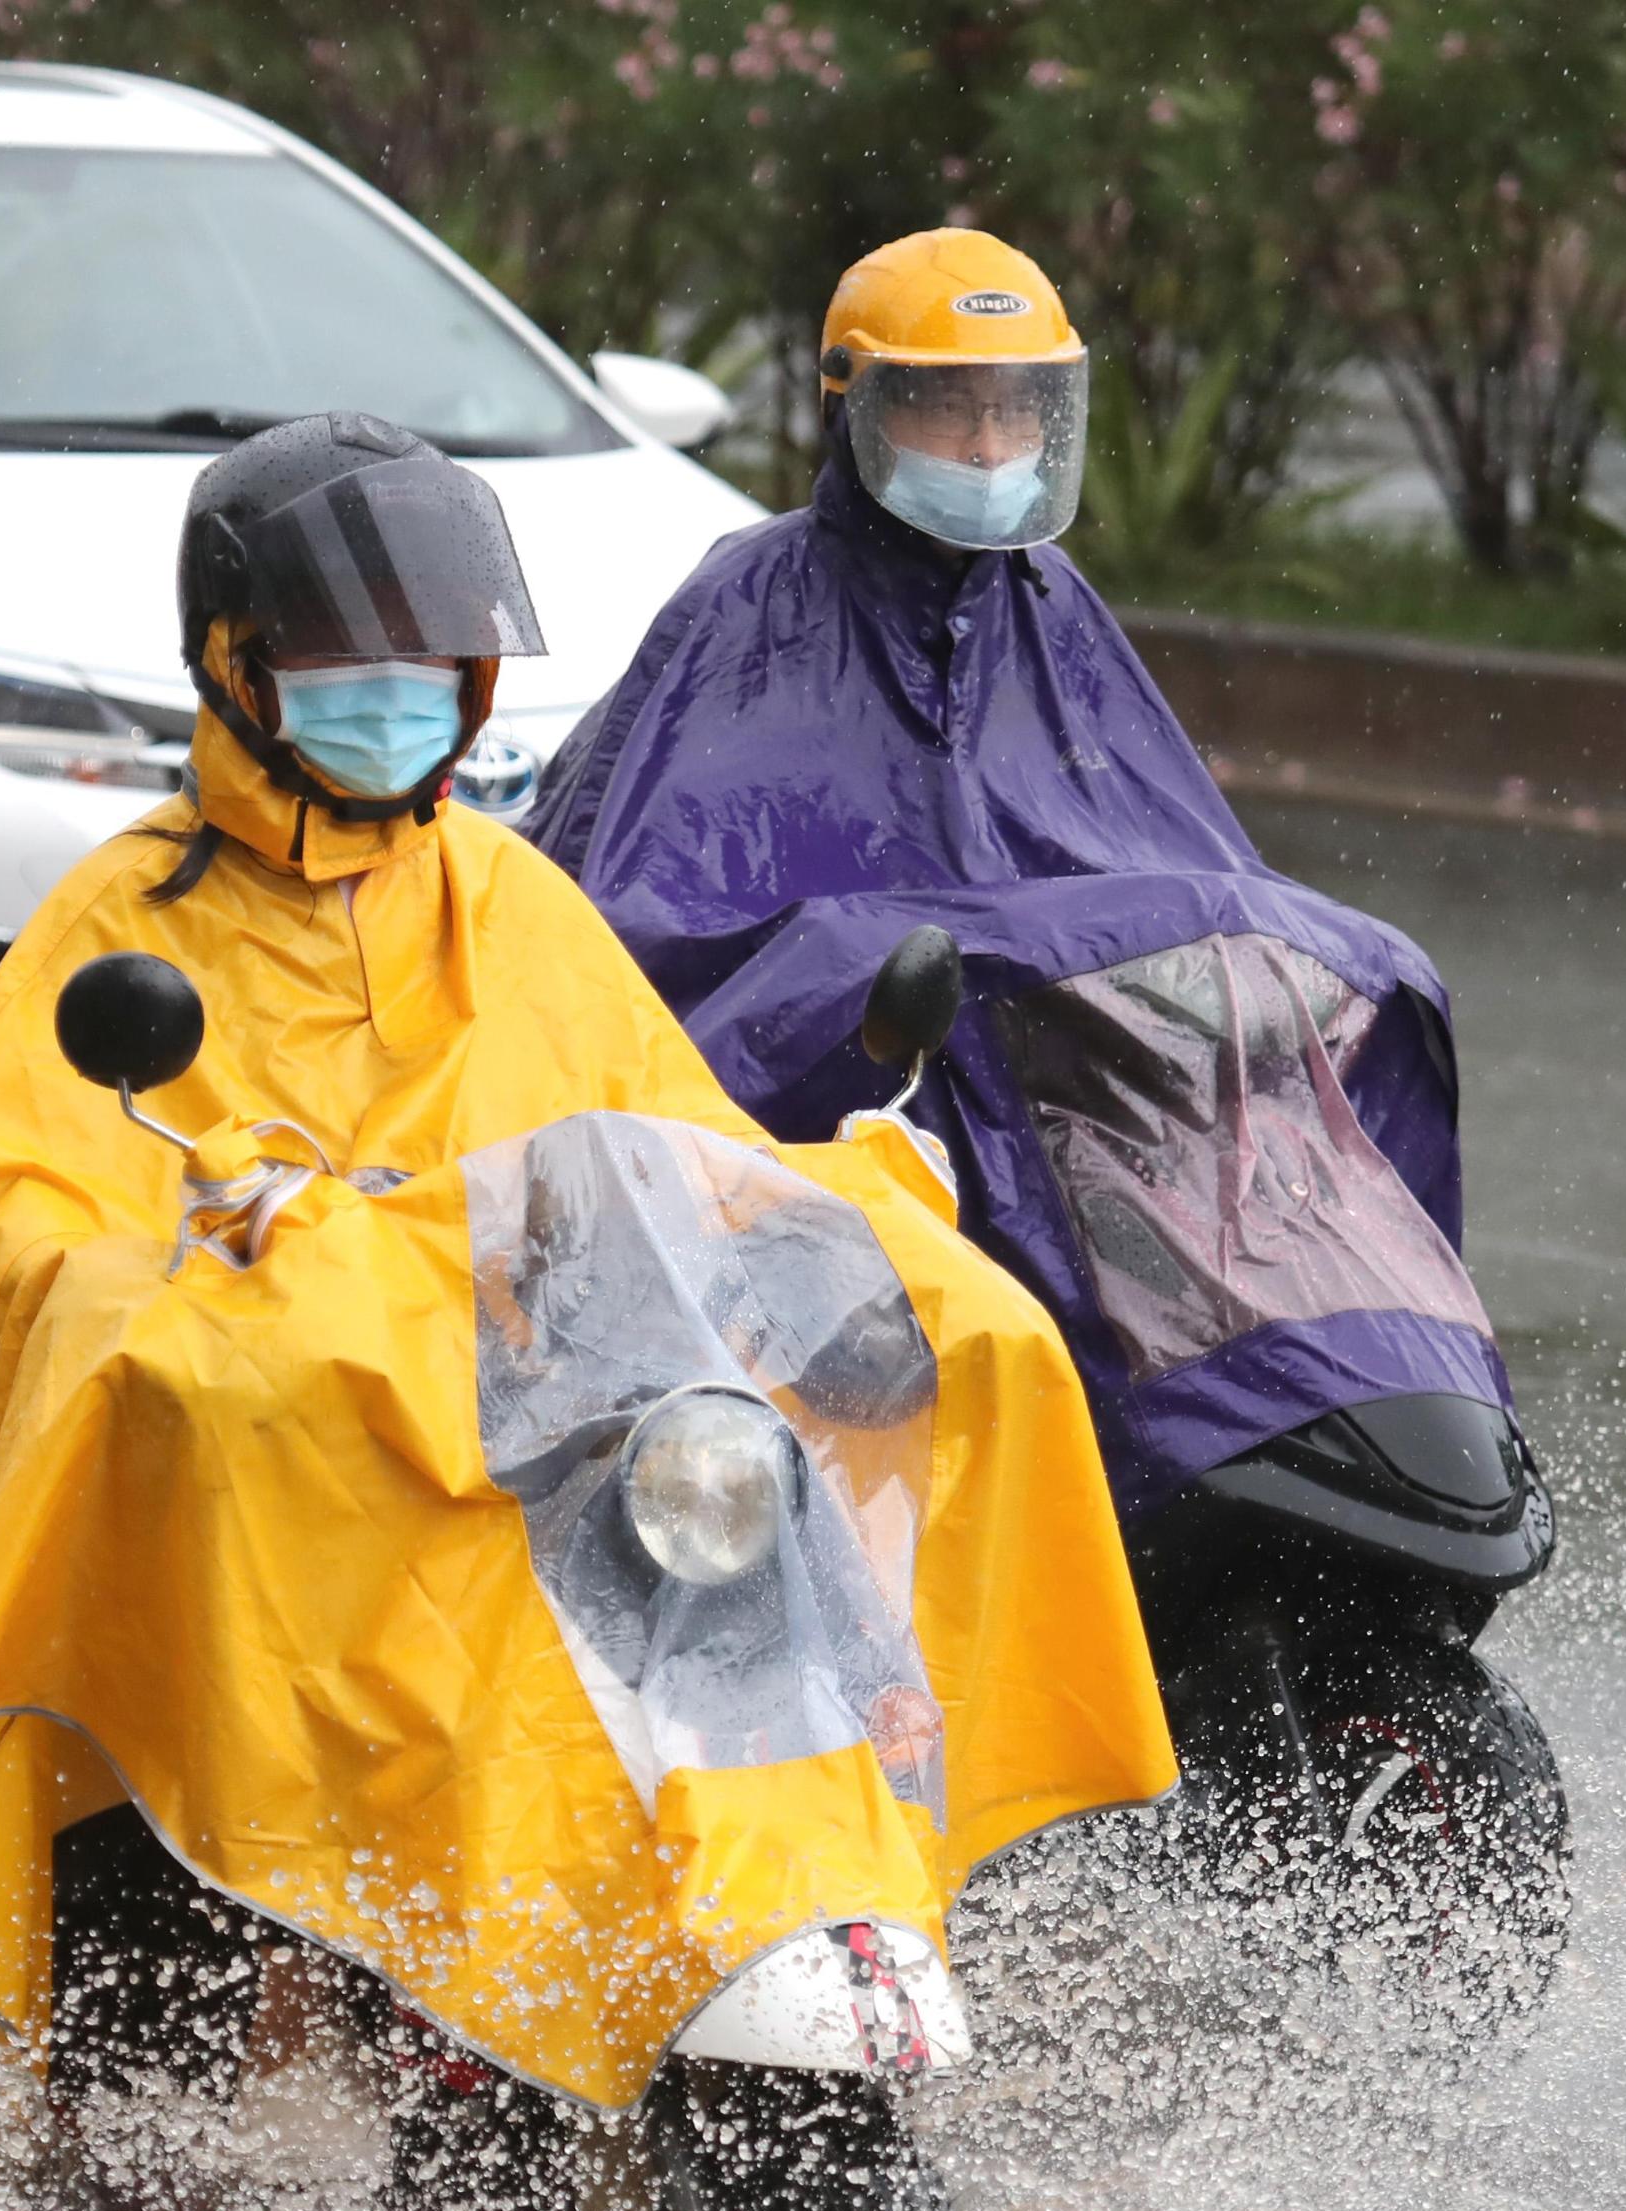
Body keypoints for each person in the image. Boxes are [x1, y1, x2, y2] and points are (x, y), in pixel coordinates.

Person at [0, 412, 1172, 2121]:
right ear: (234, 663)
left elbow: (666, 1142)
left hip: (551, 1484)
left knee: (948, 1339)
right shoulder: (118, 924)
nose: (397, 693)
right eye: (339, 659)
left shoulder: (511, 901)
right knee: (143, 2076)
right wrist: (165, 1278)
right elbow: (2, 1228)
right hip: (287, 1528)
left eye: (429, 659)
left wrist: (853, 1211)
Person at [527, 231, 1503, 1516]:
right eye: (948, 406)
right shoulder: (748, 610)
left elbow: (1182, 877)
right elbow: (651, 947)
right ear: (857, 406)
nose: (989, 450)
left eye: (1015, 410)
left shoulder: (1050, 609)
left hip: (1044, 1095)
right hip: (863, 1132)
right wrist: (864, 986)